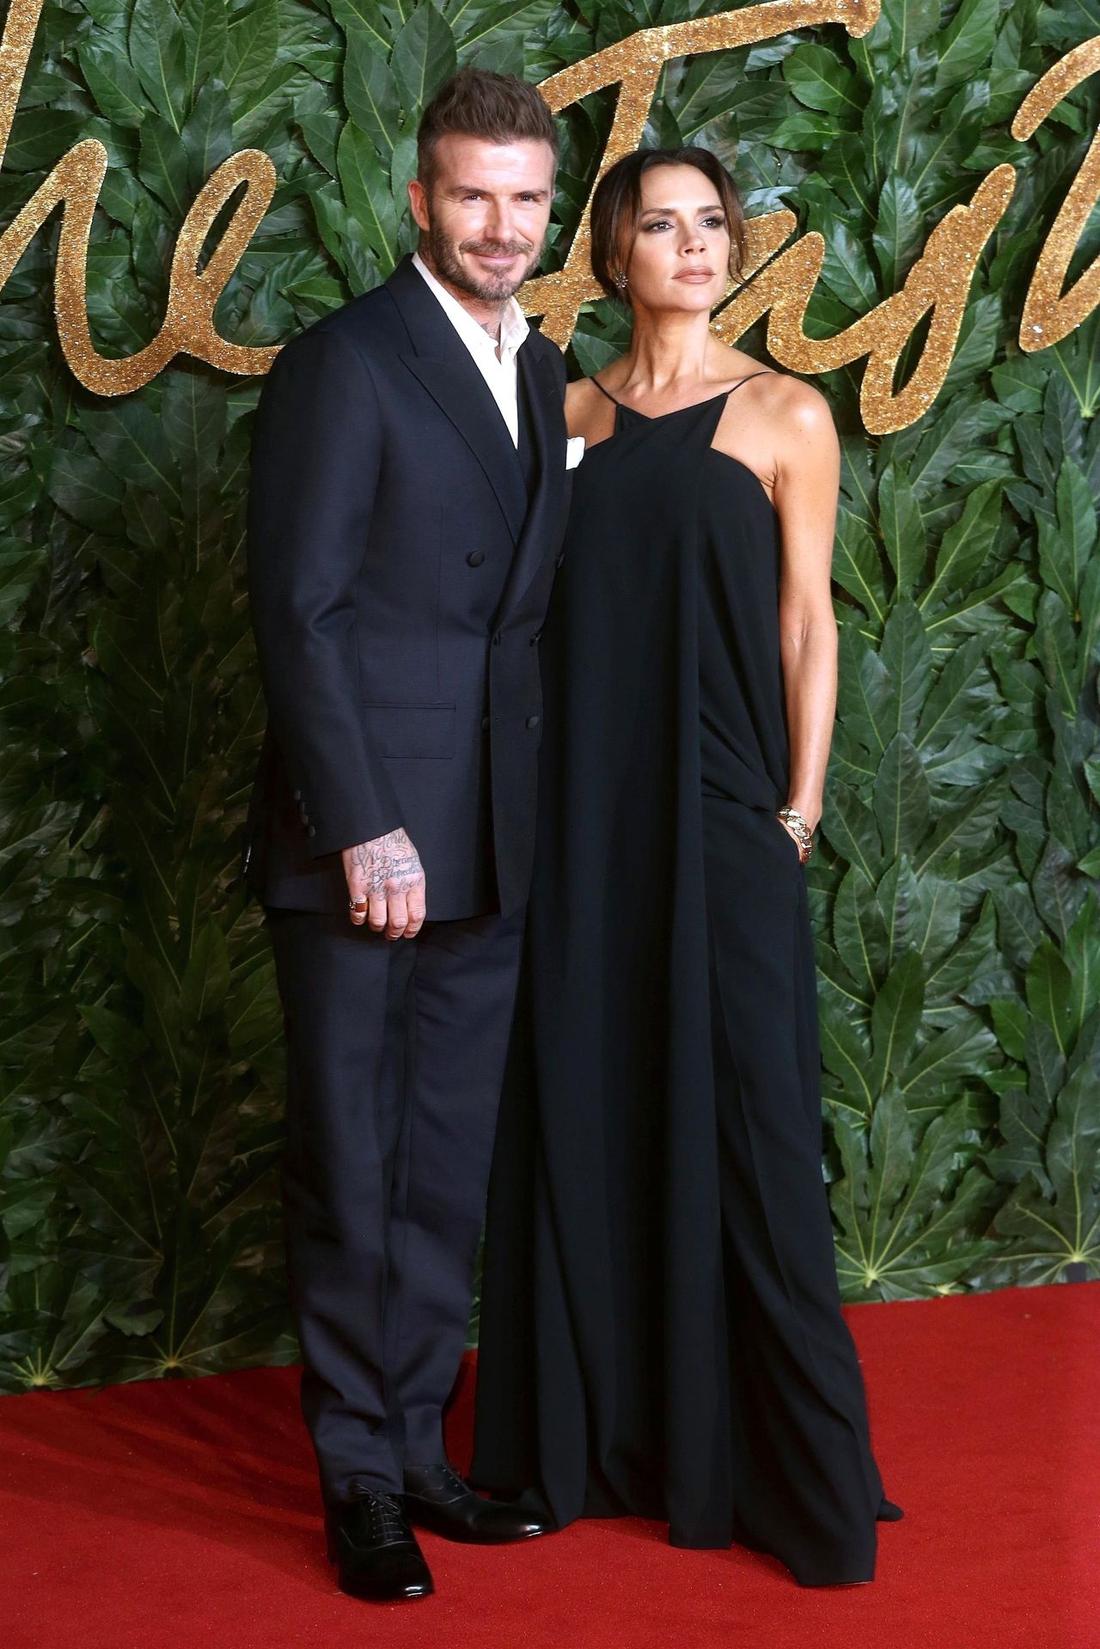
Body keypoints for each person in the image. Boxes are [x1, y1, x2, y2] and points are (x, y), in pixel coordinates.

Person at [471, 146, 902, 1588]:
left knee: (758, 1138)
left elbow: (808, 624)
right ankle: (602, 1445)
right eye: (663, 225)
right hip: (582, 828)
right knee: (589, 1112)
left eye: (712, 223)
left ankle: (792, 1474)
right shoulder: (562, 412)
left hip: (726, 816)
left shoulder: (787, 412)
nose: (697, 246)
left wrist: (798, 809)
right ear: (614, 254)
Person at [244, 69, 574, 1603]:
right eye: (473, 196)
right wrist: (364, 826)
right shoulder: (345, 361)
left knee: (443, 1166)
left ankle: (420, 1447)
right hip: (364, 845)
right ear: (420, 198)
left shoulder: (546, 370)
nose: (500, 226)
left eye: (526, 199)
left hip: (494, 837)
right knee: (354, 1163)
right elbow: (299, 611)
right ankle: (357, 1478)